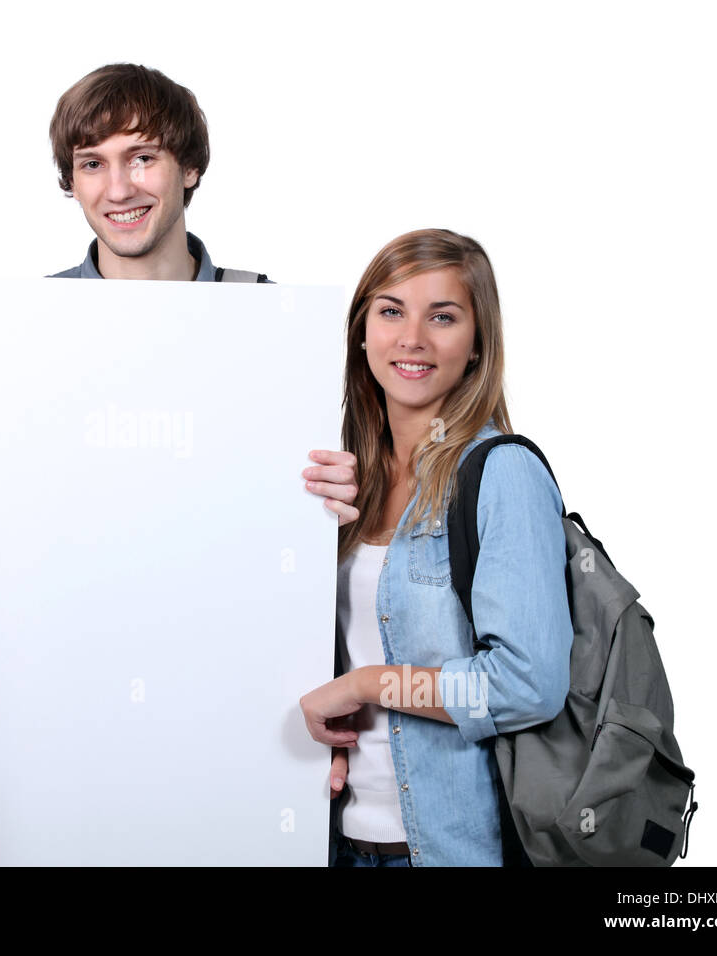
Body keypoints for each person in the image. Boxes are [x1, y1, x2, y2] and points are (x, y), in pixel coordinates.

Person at [0, 63, 359, 520]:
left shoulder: (273, 315)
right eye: (93, 164)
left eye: (143, 159)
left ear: (189, 167)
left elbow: (280, 487)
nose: (118, 189)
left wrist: (332, 494)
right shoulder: (20, 325)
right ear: (71, 183)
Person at [298, 228, 573, 867]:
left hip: (450, 851)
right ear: (362, 331)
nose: (412, 338)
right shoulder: (343, 482)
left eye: (442, 317)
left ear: (477, 346)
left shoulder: (501, 474)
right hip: (338, 843)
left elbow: (527, 684)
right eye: (390, 311)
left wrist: (366, 684)